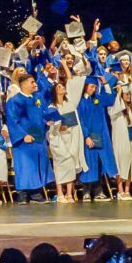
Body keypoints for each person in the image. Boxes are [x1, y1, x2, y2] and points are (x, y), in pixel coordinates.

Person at [5, 73, 53, 204]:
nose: (35, 84)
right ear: (24, 84)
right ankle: (22, 194)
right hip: (24, 140)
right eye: (32, 82)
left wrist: (47, 122)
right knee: (25, 166)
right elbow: (12, 121)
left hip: (38, 138)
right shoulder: (15, 101)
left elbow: (44, 113)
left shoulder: (38, 98)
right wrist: (22, 135)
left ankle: (36, 193)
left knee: (38, 164)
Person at [47, 62, 87, 203]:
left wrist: (65, 66)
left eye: (63, 86)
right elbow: (50, 125)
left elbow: (70, 81)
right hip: (58, 139)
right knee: (59, 165)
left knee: (70, 164)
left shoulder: (70, 103)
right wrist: (58, 127)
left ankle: (69, 193)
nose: (62, 88)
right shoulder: (52, 107)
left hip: (71, 137)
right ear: (54, 91)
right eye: (59, 87)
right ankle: (60, 193)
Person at [108, 85, 132, 201]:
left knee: (131, 164)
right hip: (121, 140)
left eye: (129, 94)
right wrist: (118, 93)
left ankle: (127, 189)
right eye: (126, 94)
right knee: (121, 164)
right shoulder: (115, 110)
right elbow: (115, 110)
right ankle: (120, 190)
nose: (128, 96)